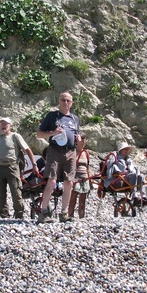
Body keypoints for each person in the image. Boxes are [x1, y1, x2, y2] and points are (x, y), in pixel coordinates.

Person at [36, 91, 81, 223]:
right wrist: (53, 132)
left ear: (72, 103)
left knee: (69, 182)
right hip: (55, 150)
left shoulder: (75, 119)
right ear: (59, 101)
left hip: (71, 152)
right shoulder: (52, 116)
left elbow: (77, 135)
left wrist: (78, 139)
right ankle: (43, 212)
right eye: (63, 100)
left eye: (68, 101)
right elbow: (39, 134)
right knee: (52, 180)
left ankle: (64, 213)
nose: (66, 103)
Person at [0, 117, 38, 219]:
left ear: (10, 126)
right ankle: (4, 215)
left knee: (16, 192)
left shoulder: (15, 136)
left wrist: (34, 164)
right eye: (2, 124)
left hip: (12, 167)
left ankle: (18, 214)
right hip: (0, 167)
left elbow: (27, 150)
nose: (3, 126)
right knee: (0, 193)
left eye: (6, 124)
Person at [67, 134, 92, 219]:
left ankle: (81, 215)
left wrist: (90, 179)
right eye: (82, 139)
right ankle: (70, 214)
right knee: (73, 196)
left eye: (84, 140)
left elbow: (88, 167)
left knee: (83, 197)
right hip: (75, 176)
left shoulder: (86, 153)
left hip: (85, 176)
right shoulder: (73, 151)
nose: (83, 141)